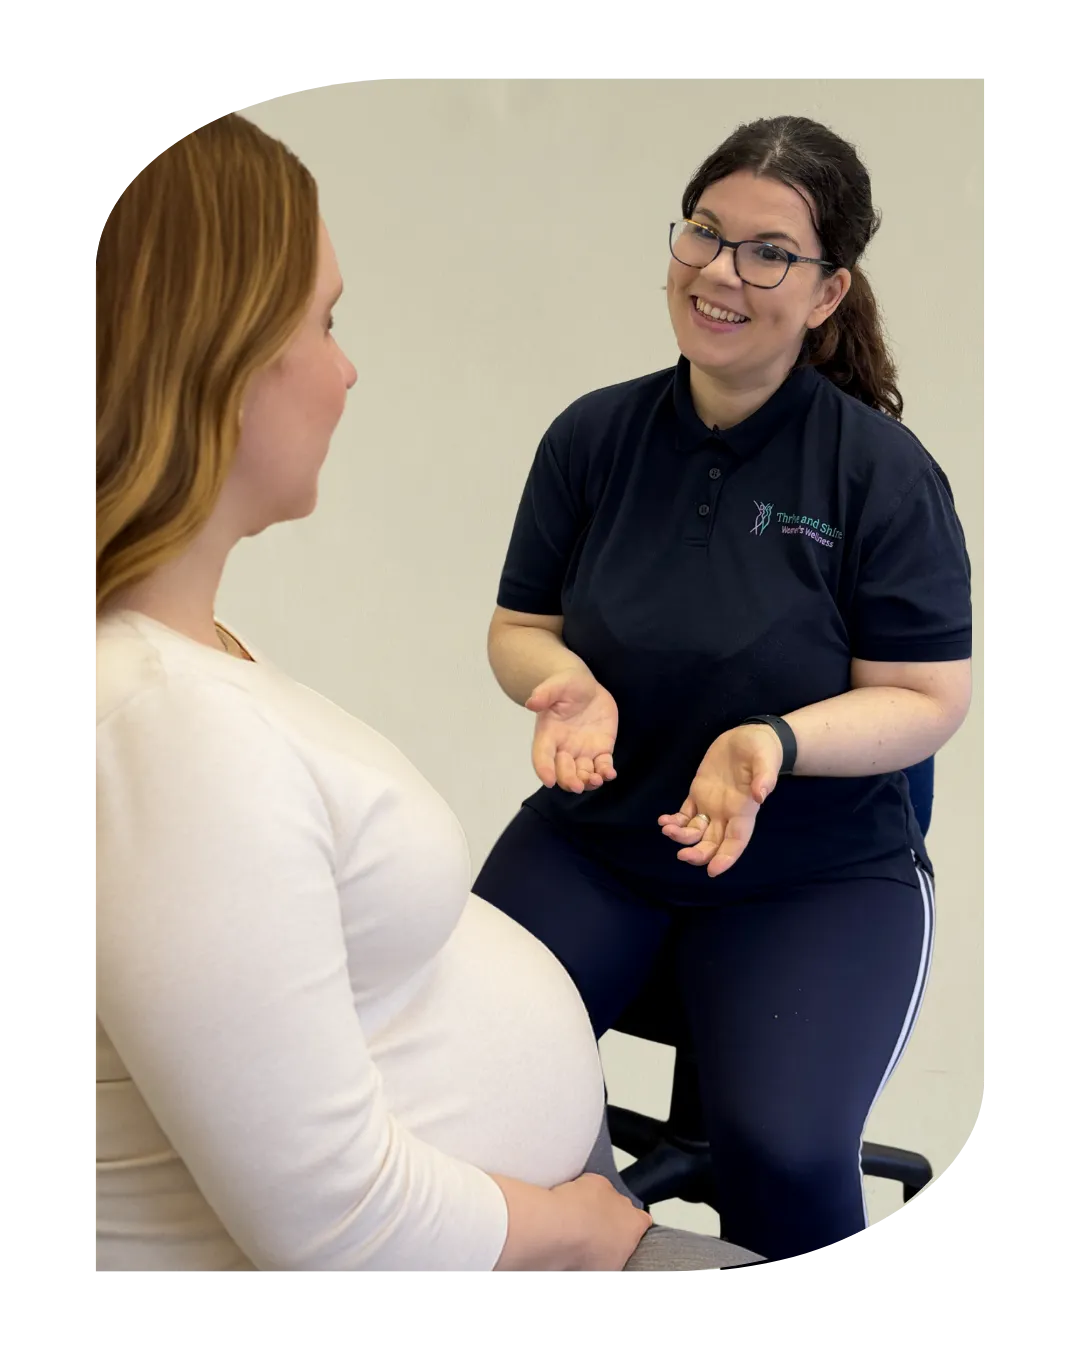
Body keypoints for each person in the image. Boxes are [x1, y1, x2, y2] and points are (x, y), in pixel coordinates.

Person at [91, 112, 763, 1273]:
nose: (347, 368)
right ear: (220, 353)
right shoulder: (160, 729)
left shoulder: (183, 674)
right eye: (325, 321)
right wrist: (593, 1234)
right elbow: (338, 1227)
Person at [475, 115, 973, 1263]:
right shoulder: (595, 436)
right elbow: (520, 628)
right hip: (600, 843)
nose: (719, 272)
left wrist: (773, 743)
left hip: (813, 879)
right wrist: (562, 687)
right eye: (704, 233)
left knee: (787, 1156)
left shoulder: (880, 475)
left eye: (767, 252)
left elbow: (927, 698)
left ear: (828, 289)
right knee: (450, 1087)